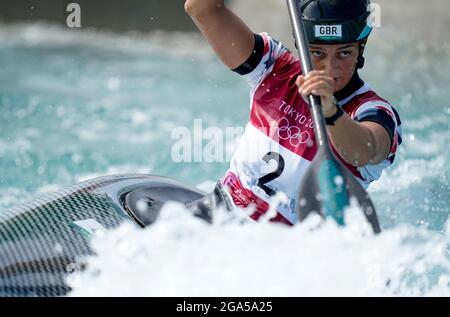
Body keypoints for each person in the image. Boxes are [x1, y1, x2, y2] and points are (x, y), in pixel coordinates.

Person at [185, 0, 402, 225]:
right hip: (224, 207)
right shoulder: (274, 68)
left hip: (290, 243)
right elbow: (201, 8)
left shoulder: (374, 111)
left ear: (360, 48)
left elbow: (366, 151)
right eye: (317, 52)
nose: (329, 68)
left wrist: (331, 111)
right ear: (301, 44)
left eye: (344, 53)